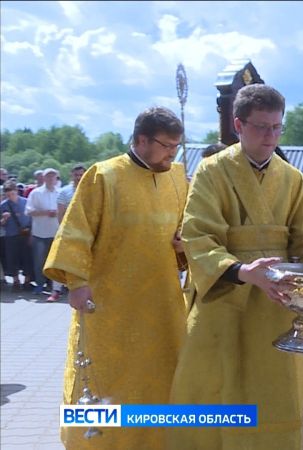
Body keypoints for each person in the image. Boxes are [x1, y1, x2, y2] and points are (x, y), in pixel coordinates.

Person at [169, 84, 303, 450]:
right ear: (239, 124)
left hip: (278, 305)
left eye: (277, 127)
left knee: (276, 394)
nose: (270, 136)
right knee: (212, 387)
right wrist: (241, 270)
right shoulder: (211, 171)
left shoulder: (292, 178)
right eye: (261, 126)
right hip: (225, 298)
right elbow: (198, 235)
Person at [43, 107, 189, 449]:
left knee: (161, 375)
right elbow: (77, 232)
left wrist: (185, 246)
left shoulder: (178, 177)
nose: (173, 153)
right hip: (109, 306)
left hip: (162, 303)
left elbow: (183, 233)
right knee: (106, 376)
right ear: (141, 139)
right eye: (167, 145)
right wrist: (76, 284)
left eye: (176, 146)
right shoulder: (104, 176)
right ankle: (95, 443)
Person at [26, 167, 60, 297]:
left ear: (56, 178)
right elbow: (29, 211)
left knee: (55, 261)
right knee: (39, 260)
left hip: (56, 232)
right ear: (44, 178)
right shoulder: (36, 193)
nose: (51, 179)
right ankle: (40, 284)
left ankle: (54, 286)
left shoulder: (60, 192)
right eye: (48, 176)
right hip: (39, 233)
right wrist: (46, 212)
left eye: (53, 176)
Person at [1, 180, 33, 290]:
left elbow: (32, 218)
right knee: (12, 258)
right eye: (8, 195)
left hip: (25, 233)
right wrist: (4, 219)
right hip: (11, 235)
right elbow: (1, 224)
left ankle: (27, 280)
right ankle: (15, 281)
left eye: (12, 194)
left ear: (16, 191)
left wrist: (31, 233)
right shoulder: (3, 205)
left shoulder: (26, 202)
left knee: (27, 257)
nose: (10, 197)